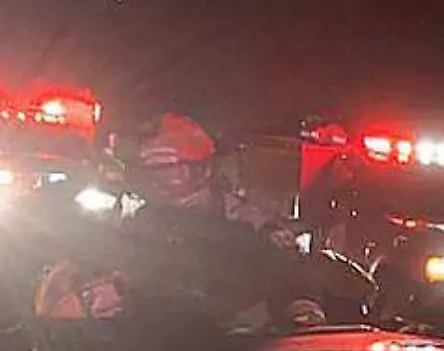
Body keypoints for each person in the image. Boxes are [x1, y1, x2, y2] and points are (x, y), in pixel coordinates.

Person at [113, 112, 329, 329]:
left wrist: (302, 310)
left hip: (238, 344)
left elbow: (293, 279)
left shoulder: (251, 223)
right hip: (162, 343)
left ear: (202, 169)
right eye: (149, 171)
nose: (157, 180)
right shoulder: (138, 226)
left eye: (167, 169)